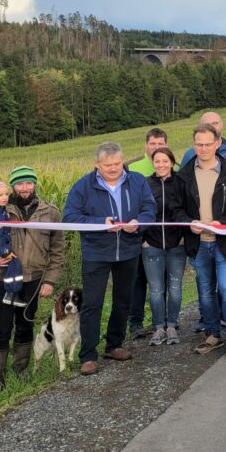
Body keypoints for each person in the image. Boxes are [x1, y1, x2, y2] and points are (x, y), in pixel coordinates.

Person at [63, 142, 156, 376]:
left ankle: (114, 345)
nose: (114, 169)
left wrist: (138, 223)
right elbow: (70, 217)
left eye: (117, 164)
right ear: (97, 165)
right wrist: (100, 225)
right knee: (92, 303)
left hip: (128, 250)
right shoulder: (83, 186)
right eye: (108, 165)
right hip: (96, 252)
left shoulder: (137, 181)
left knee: (123, 300)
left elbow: (149, 208)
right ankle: (88, 355)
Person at [0, 166, 63, 390]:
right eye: (19, 184)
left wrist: (50, 281)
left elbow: (57, 250)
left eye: (29, 183)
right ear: (12, 185)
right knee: (1, 326)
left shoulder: (50, 212)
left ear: (35, 184)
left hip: (34, 279)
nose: (24, 188)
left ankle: (20, 369)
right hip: (1, 278)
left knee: (25, 324)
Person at [174, 123, 226, 360]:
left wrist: (223, 222)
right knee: (205, 291)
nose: (204, 148)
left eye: (209, 144)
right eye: (199, 144)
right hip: (199, 244)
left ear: (218, 143)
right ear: (194, 144)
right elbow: (175, 209)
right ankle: (213, 334)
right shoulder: (184, 175)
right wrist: (189, 222)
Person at [141, 147, 188, 346]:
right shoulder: (145, 184)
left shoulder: (181, 182)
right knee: (156, 289)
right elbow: (139, 210)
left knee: (175, 288)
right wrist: (142, 239)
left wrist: (184, 236)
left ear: (172, 162)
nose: (161, 165)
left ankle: (172, 325)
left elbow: (188, 209)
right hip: (151, 245)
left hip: (177, 244)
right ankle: (159, 327)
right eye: (157, 161)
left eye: (165, 161)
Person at [128, 127, 170, 340]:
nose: (156, 149)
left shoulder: (173, 165)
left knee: (161, 280)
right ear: (146, 145)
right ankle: (135, 323)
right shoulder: (132, 167)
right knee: (138, 281)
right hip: (137, 234)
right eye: (152, 144)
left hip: (163, 236)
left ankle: (161, 320)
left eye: (160, 144)